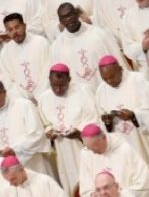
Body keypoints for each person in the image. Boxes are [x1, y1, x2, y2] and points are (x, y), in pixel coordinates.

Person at [37, 63, 99, 195]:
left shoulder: (83, 91)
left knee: (92, 178)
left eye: (62, 85)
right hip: (62, 149)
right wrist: (50, 132)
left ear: (69, 80)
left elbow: (94, 117)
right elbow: (45, 124)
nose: (58, 90)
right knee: (71, 181)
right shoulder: (44, 98)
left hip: (83, 144)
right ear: (49, 80)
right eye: (54, 86)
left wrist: (80, 132)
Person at [96, 55, 149, 166]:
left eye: (112, 77)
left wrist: (134, 115)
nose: (109, 81)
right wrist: (107, 121)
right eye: (105, 79)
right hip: (121, 143)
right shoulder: (101, 90)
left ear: (120, 69)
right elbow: (101, 119)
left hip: (142, 138)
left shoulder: (138, 79)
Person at [50, 2, 126, 91]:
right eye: (64, 17)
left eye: (70, 14)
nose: (68, 19)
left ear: (77, 13)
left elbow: (119, 63)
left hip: (107, 91)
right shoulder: (58, 45)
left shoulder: (99, 35)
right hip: (80, 96)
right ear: (60, 22)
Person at [79, 123, 149, 197]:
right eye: (90, 149)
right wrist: (93, 194)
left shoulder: (124, 149)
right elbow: (85, 188)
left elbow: (144, 183)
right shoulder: (86, 154)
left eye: (95, 148)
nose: (93, 152)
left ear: (104, 138)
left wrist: (119, 195)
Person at [0, 81, 52, 174]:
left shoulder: (24, 105)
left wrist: (16, 150)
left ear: (4, 92)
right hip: (6, 168)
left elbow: (37, 134)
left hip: (32, 164)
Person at [0, 13, 47, 100]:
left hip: (45, 95)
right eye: (10, 29)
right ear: (7, 32)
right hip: (21, 101)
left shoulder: (41, 43)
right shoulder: (5, 52)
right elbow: (7, 81)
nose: (15, 32)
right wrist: (23, 101)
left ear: (24, 26)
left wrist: (40, 94)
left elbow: (48, 71)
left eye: (17, 27)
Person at [0, 155, 65, 197]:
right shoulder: (7, 191)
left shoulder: (45, 181)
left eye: (13, 179)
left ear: (22, 170)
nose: (11, 184)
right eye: (8, 180)